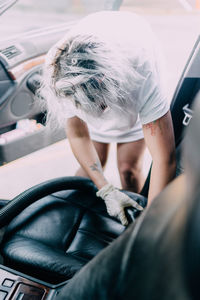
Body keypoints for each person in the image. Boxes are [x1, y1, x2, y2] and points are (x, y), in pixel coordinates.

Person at [40, 11, 176, 225]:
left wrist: (150, 227)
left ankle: (133, 221)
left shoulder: (142, 70)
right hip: (93, 75)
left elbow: (164, 159)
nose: (100, 114)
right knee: (91, 167)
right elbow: (78, 135)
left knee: (128, 169)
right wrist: (106, 189)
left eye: (101, 106)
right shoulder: (59, 75)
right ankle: (74, 221)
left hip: (128, 75)